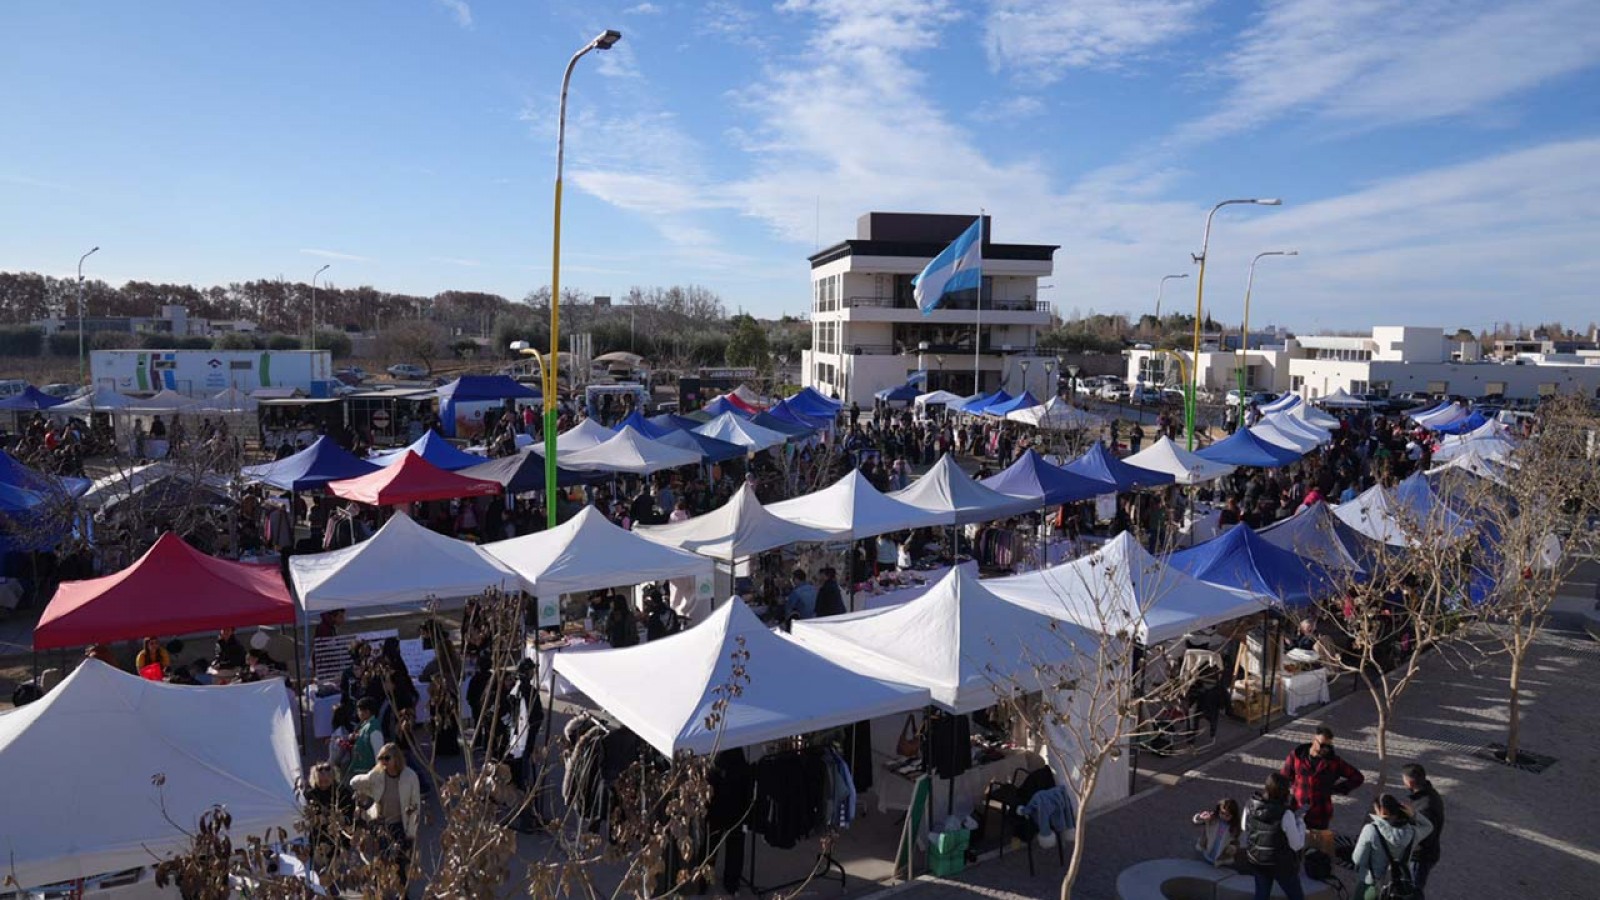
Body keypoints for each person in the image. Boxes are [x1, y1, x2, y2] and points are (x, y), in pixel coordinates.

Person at [349, 743, 421, 891]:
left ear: (396, 758)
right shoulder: (377, 775)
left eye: (387, 758)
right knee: (381, 862)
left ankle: (402, 893)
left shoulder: (410, 776)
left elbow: (415, 807)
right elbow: (354, 783)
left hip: (400, 826)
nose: (383, 761)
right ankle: (380, 892)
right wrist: (369, 783)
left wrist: (411, 834)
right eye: (380, 758)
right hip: (381, 825)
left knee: (400, 863)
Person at [1280, 725, 1364, 837]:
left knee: (1316, 844)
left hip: (1320, 814)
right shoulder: (1297, 756)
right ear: (1314, 740)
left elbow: (1357, 777)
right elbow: (1283, 778)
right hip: (1297, 809)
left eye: (1329, 746)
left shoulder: (1334, 762)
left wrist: (1336, 789)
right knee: (1294, 842)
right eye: (1322, 745)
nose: (1325, 749)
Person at [1352, 793, 1433, 900]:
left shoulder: (1371, 830)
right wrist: (1414, 814)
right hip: (1397, 885)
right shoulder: (1412, 833)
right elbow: (1428, 826)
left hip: (1372, 884)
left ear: (1382, 811)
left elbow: (1358, 859)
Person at [1241, 772, 1306, 900]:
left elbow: (1244, 827)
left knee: (1261, 894)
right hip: (1281, 864)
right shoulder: (1286, 814)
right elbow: (1297, 844)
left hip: (1257, 859)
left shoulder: (1251, 805)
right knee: (1296, 897)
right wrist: (1301, 823)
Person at [1402, 763, 1444, 889]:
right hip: (1425, 853)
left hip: (1420, 856)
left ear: (1410, 782)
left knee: (1413, 890)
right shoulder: (1427, 794)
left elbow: (1425, 835)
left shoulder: (1425, 806)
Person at [1192, 797, 1242, 867]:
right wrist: (1201, 817)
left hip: (1222, 856)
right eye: (1222, 813)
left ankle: (1217, 860)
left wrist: (1232, 848)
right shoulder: (1213, 818)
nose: (1224, 816)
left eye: (1227, 815)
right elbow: (1197, 821)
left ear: (1233, 816)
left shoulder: (1234, 828)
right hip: (1207, 851)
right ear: (1218, 811)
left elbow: (1236, 841)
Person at [345, 697, 386, 778]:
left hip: (369, 773)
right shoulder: (365, 725)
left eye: (359, 711)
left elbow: (378, 753)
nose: (358, 713)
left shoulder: (374, 728)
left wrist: (378, 774)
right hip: (361, 771)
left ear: (367, 711)